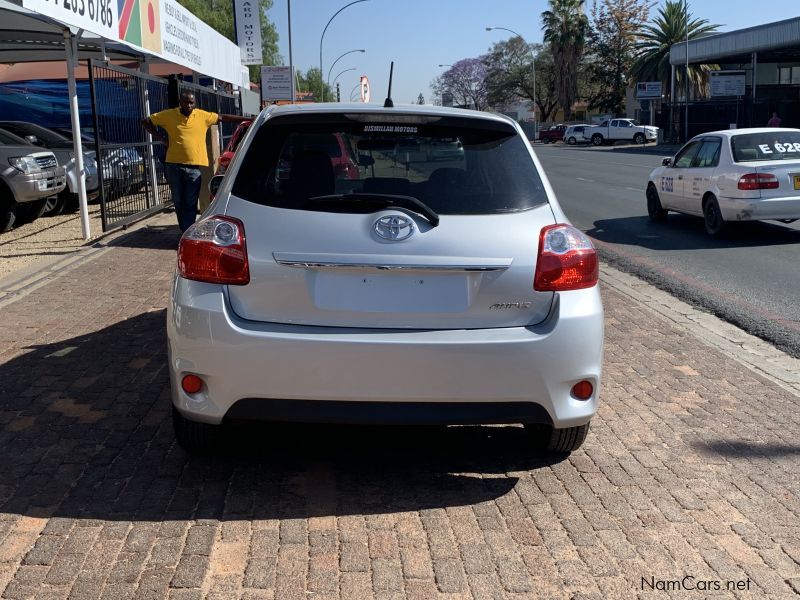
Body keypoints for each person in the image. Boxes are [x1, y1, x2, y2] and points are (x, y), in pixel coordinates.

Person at [142, 91, 249, 231]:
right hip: (173, 166)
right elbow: (146, 121)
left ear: (195, 103)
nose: (189, 105)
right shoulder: (169, 115)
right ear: (180, 102)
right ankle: (184, 229)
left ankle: (187, 230)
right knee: (178, 201)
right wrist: (161, 138)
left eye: (191, 102)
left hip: (194, 168)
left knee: (191, 201)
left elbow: (223, 118)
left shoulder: (202, 116)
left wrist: (250, 118)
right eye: (186, 102)